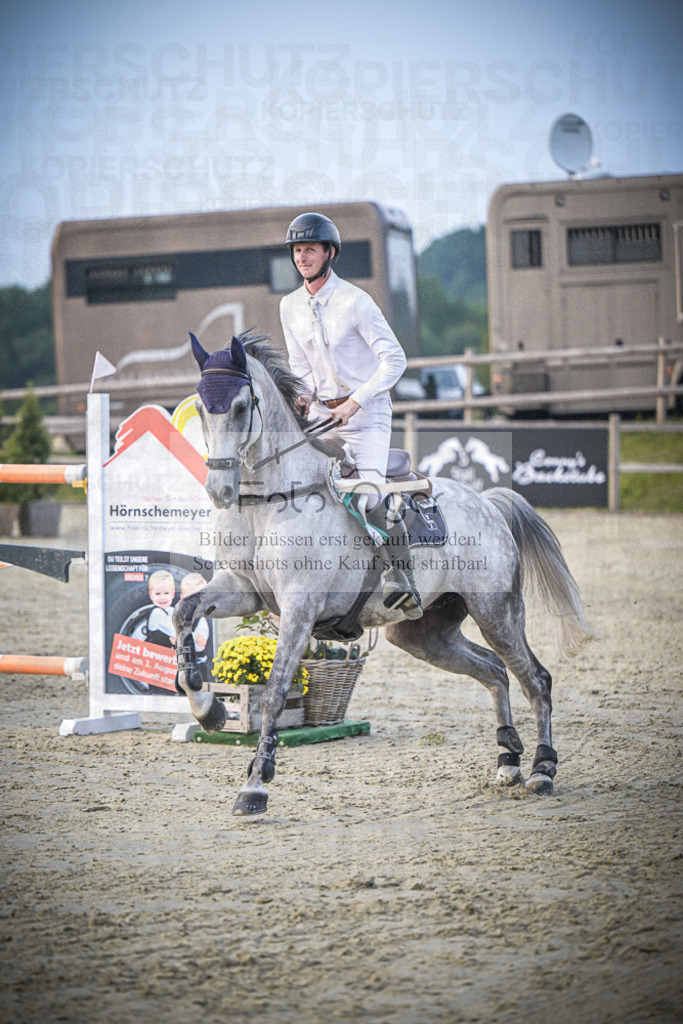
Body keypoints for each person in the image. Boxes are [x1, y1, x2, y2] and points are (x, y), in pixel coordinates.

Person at [279, 211, 421, 618]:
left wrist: (356, 401)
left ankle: (401, 577)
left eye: (310, 249)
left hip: (367, 415)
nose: (302, 257)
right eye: (297, 250)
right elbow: (299, 365)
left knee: (371, 496)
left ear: (330, 253)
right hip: (323, 415)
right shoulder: (289, 306)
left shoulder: (356, 301)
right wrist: (302, 398)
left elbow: (394, 360)